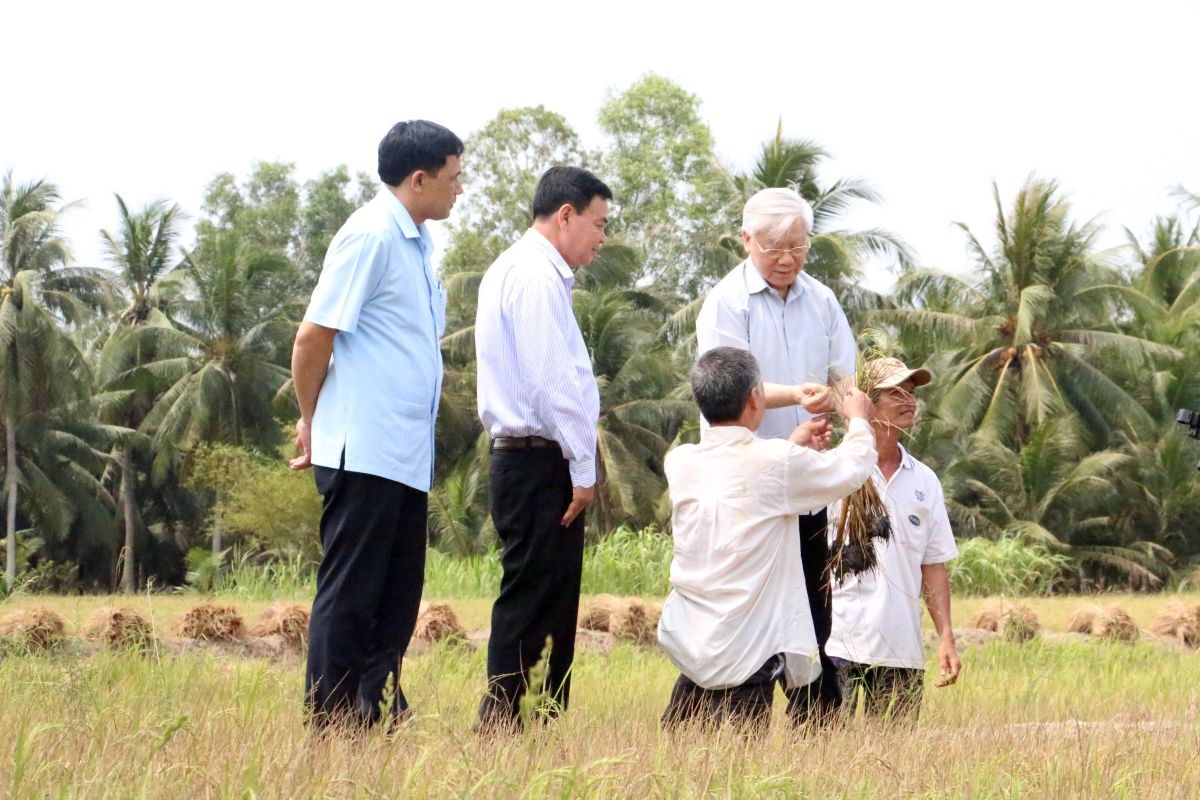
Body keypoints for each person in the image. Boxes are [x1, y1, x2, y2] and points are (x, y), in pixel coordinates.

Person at [289, 120, 463, 732]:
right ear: (418, 180)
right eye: (452, 177)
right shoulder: (368, 236)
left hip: (403, 452)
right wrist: (311, 422)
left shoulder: (417, 243)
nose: (458, 189)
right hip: (362, 447)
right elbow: (314, 337)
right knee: (351, 594)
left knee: (396, 598)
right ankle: (331, 720)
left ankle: (374, 713)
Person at [694, 187, 857, 724]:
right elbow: (730, 387)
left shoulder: (823, 301)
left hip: (805, 478)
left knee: (814, 605)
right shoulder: (726, 303)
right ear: (745, 241)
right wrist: (801, 396)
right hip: (747, 483)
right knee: (744, 606)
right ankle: (714, 714)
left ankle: (819, 721)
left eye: (798, 246)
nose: (786, 259)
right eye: (773, 247)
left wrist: (831, 411)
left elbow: (845, 381)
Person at [658, 347, 877, 733]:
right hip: (748, 648)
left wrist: (792, 446)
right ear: (754, 399)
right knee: (735, 771)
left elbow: (746, 482)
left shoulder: (680, 462)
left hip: (693, 641)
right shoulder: (776, 461)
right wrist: (859, 420)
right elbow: (850, 468)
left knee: (678, 763)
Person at [473, 166, 611, 732]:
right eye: (599, 224)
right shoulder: (533, 275)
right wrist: (582, 467)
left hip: (531, 457)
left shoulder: (528, 271)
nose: (602, 237)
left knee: (547, 598)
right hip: (537, 459)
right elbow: (552, 383)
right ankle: (506, 724)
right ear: (565, 216)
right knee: (534, 597)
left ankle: (532, 724)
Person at [826, 357, 961, 722]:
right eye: (896, 393)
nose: (909, 401)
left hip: (902, 651)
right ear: (867, 402)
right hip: (837, 646)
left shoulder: (924, 480)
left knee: (894, 763)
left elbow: (933, 565)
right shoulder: (834, 470)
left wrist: (946, 636)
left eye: (912, 392)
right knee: (825, 758)